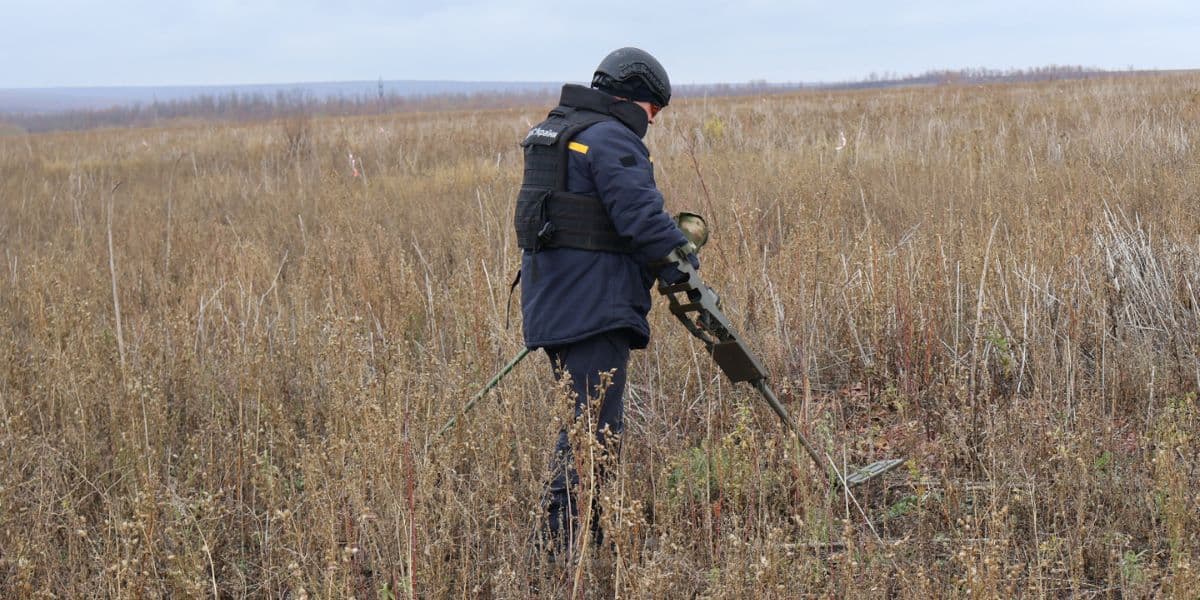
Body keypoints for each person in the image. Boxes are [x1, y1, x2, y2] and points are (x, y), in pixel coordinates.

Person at [513, 47, 701, 554]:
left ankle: (584, 540)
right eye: (653, 111)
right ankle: (558, 552)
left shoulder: (557, 133)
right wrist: (680, 258)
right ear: (632, 96)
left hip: (554, 305)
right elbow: (640, 216)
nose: (651, 122)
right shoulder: (610, 137)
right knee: (592, 436)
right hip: (593, 310)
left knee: (587, 426)